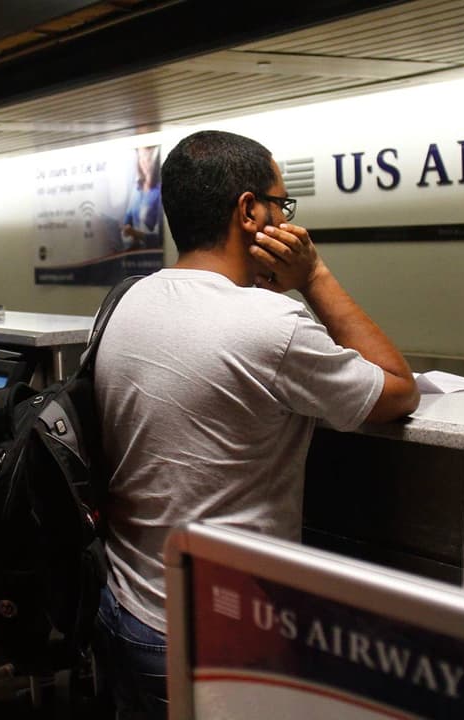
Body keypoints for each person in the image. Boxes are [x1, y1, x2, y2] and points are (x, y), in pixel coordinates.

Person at [93, 130, 420, 717]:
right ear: (249, 211)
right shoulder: (270, 324)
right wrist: (314, 273)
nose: (287, 218)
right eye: (282, 204)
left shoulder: (127, 301)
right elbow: (398, 390)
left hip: (125, 607)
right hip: (216, 634)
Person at [120, 145, 163, 251]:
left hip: (153, 256)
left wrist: (137, 234)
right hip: (134, 255)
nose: (144, 162)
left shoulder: (159, 192)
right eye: (141, 158)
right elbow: (126, 222)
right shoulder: (137, 189)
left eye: (147, 158)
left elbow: (161, 238)